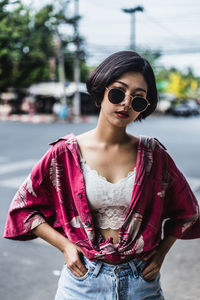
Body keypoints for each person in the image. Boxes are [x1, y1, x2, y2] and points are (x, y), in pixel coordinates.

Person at [4, 51, 200, 300]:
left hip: (142, 283)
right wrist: (65, 246)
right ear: (101, 89)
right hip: (82, 281)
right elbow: (22, 209)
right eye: (118, 92)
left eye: (138, 100)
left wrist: (161, 252)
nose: (126, 103)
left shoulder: (154, 155)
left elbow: (188, 210)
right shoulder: (64, 154)